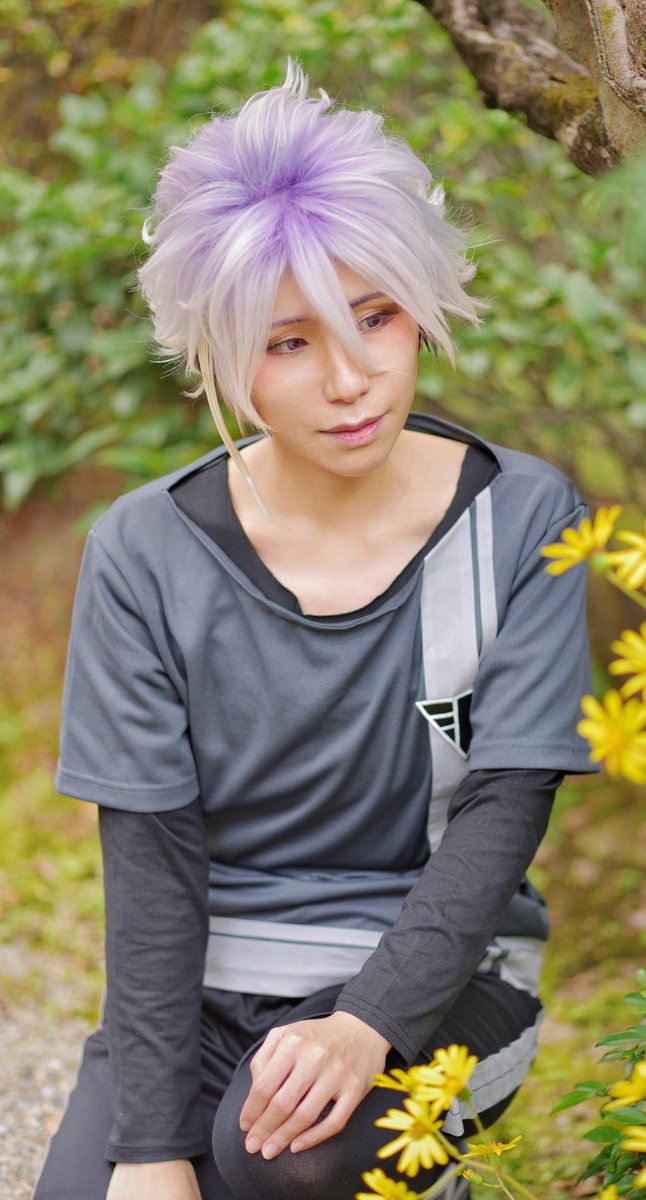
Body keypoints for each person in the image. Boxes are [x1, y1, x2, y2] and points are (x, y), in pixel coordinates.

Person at [32, 64, 596, 1200]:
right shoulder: (143, 551)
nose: (351, 379)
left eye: (376, 317)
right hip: (209, 982)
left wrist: (367, 1024)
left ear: (420, 306)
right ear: (222, 354)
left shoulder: (521, 516)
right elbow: (151, 866)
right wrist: (148, 1147)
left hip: (439, 978)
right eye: (290, 342)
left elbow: (505, 806)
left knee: (286, 1158)